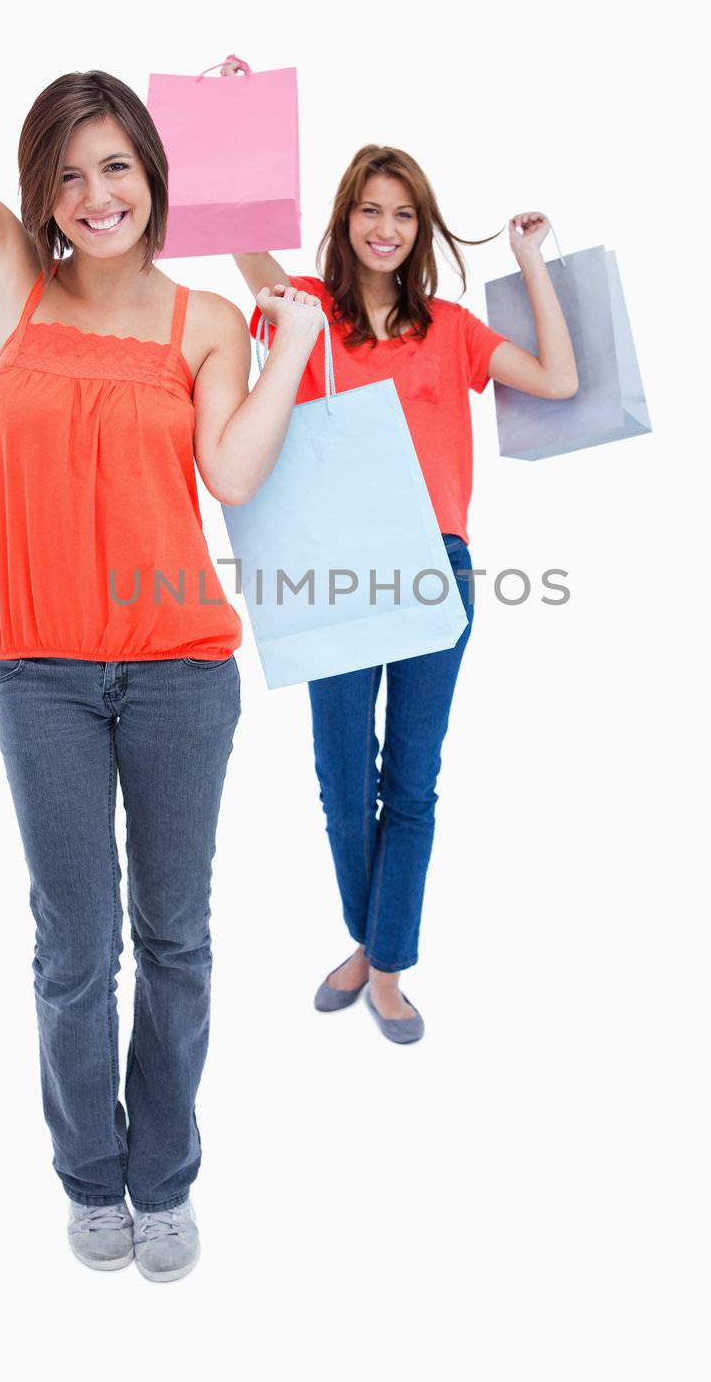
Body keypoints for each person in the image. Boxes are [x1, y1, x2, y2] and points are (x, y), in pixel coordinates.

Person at [0, 0, 324, 1280]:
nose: (93, 194)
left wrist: (292, 339)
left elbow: (236, 469)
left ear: (153, 174)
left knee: (176, 941)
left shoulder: (201, 319)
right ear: (44, 190)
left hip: (184, 673)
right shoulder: (10, 281)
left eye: (116, 166)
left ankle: (167, 1167)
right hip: (45, 679)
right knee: (75, 954)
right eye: (67, 174)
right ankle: (91, 1171)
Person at [233, 142, 578, 1044]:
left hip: (438, 567)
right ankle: (371, 939)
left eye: (402, 214)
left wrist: (530, 261)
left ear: (418, 229)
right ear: (344, 221)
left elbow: (558, 380)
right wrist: (233, 120)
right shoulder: (305, 312)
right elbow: (245, 248)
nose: (384, 229)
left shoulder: (451, 327)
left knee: (409, 783)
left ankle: (383, 965)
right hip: (335, 568)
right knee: (340, 781)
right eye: (369, 211)